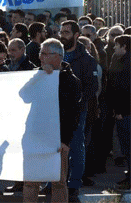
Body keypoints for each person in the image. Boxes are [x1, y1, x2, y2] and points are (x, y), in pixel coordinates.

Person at [23, 38, 81, 203]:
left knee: (58, 182)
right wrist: (40, 75)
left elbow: (73, 114)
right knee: (30, 181)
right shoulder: (37, 75)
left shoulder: (71, 81)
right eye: (41, 53)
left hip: (57, 140)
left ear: (58, 57)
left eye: (46, 54)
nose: (41, 57)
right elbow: (23, 95)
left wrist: (65, 141)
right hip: (34, 136)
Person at [59, 20, 98, 198]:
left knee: (75, 147)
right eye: (61, 31)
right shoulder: (56, 53)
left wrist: (79, 105)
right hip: (56, 110)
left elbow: (91, 87)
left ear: (76, 35)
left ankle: (74, 184)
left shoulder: (86, 59)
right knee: (56, 149)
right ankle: (55, 182)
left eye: (66, 32)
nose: (62, 35)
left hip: (76, 112)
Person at [107, 35, 130, 189]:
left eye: (117, 45)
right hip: (122, 111)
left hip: (126, 113)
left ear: (124, 47)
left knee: (128, 146)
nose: (114, 48)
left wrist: (122, 110)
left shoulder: (128, 64)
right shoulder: (118, 60)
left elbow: (125, 90)